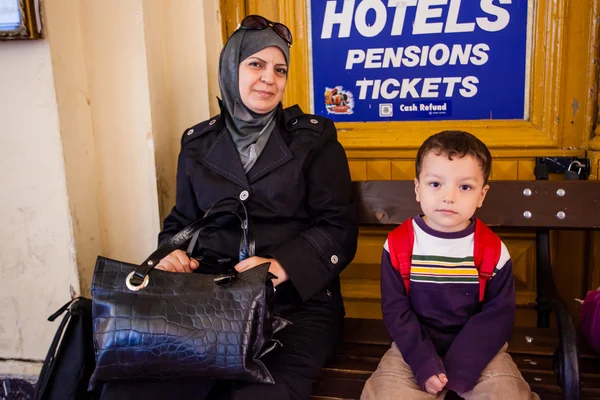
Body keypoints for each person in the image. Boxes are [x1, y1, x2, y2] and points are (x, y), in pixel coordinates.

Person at [99, 14, 358, 400]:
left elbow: (338, 227)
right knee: (135, 390)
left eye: (280, 69)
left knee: (260, 395)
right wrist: (172, 253)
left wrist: (281, 265)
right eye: (255, 64)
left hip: (292, 308)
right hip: (207, 302)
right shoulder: (198, 144)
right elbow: (182, 221)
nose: (269, 78)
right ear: (230, 68)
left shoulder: (314, 140)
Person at [361, 131, 539, 399]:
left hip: (481, 350)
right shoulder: (399, 245)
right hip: (413, 349)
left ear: (482, 194)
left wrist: (460, 369)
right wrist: (423, 363)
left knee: (507, 393)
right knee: (386, 394)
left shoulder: (491, 249)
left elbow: (497, 316)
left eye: (465, 187)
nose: (449, 197)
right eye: (435, 184)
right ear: (418, 188)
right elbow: (396, 310)